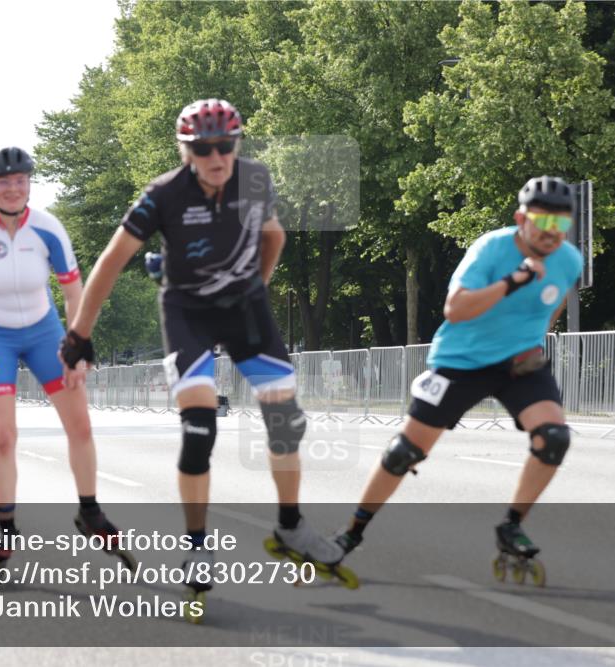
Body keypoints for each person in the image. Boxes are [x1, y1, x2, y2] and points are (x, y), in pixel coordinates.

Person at [60, 99, 344, 606]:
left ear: (237, 143)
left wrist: (256, 285)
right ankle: (196, 546)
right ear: (185, 150)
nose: (216, 156)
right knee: (198, 428)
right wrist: (79, 335)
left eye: (225, 145)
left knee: (284, 419)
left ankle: (291, 527)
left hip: (244, 308)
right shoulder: (164, 195)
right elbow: (111, 261)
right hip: (188, 312)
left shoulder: (254, 180)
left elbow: (274, 236)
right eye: (202, 148)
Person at [334, 176, 583, 573]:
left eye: (561, 224)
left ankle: (511, 525)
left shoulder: (569, 260)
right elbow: (456, 309)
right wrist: (513, 280)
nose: (553, 233)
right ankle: (349, 534)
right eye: (543, 222)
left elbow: (550, 309)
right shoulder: (492, 249)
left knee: (553, 437)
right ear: (521, 218)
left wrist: (535, 341)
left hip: (519, 363)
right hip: (461, 362)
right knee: (405, 453)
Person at [0, 146, 133, 569]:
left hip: (44, 329)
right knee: (4, 437)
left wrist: (76, 344)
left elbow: (72, 291)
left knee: (81, 426)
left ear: (29, 183)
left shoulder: (48, 227)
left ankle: (89, 512)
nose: (12, 189)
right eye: (3, 183)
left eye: (20, 181)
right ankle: (8, 530)